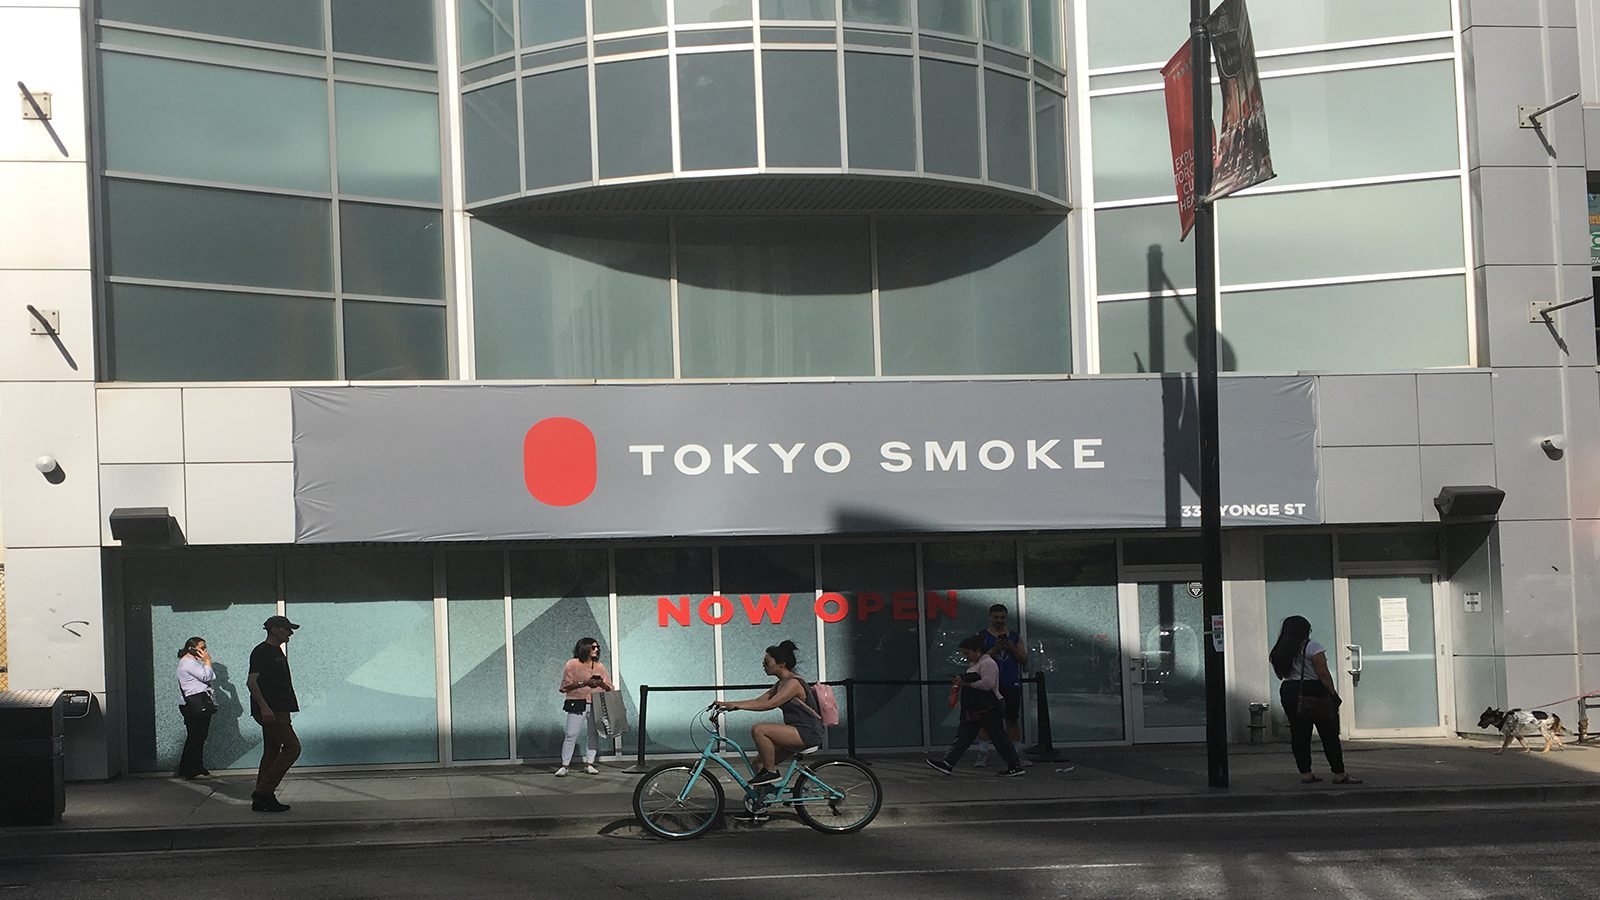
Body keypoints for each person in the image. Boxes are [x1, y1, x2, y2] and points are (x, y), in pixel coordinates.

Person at [713, 639, 826, 823]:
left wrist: (737, 706)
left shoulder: (793, 683)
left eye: (766, 662)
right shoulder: (781, 683)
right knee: (758, 764)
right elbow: (761, 700)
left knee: (760, 730)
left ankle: (772, 772)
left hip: (807, 732)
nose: (763, 665)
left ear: (781, 664)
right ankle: (759, 807)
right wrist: (730, 704)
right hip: (795, 731)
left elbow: (771, 704)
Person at [1269, 616, 1360, 785]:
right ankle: (1339, 773)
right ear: (1305, 630)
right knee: (1328, 733)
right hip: (1313, 690)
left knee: (1299, 734)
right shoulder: (1312, 647)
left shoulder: (1279, 650)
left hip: (1289, 690)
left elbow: (1280, 675)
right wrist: (1332, 693)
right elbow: (1323, 673)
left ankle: (1306, 773)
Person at [928, 635, 1026, 777]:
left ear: (978, 651)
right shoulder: (978, 663)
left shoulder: (987, 663)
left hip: (988, 706)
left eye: (967, 653)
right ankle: (948, 762)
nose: (966, 657)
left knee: (997, 736)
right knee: (966, 736)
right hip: (978, 707)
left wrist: (967, 683)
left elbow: (988, 684)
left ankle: (1014, 765)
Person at [247, 615, 303, 812]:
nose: (290, 633)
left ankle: (263, 799)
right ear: (274, 629)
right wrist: (264, 707)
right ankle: (263, 792)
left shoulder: (276, 651)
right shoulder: (262, 651)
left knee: (272, 751)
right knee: (292, 748)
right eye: (286, 629)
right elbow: (252, 682)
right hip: (272, 711)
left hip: (279, 710)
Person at [975, 603, 1029, 767]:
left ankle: (1017, 755)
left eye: (1002, 617)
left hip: (1010, 683)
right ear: (990, 617)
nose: (999, 620)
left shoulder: (1014, 636)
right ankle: (983, 754)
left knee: (1012, 720)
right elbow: (977, 661)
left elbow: (1024, 659)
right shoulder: (982, 636)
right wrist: (995, 649)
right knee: (987, 720)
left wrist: (1012, 647)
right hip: (990, 685)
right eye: (996, 617)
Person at [556, 636, 613, 776]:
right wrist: (585, 683)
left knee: (593, 734)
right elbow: (564, 686)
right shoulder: (572, 664)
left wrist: (601, 684)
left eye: (597, 647)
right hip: (577, 702)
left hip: (596, 702)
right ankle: (565, 765)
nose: (596, 649)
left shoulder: (600, 666)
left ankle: (589, 763)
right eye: (593, 647)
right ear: (584, 648)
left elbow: (610, 688)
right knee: (571, 734)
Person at [174, 636, 216, 780]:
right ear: (191, 648)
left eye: (205, 648)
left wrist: (206, 664)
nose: (205, 651)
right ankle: (190, 769)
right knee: (196, 737)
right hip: (195, 704)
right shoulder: (188, 662)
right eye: (202, 648)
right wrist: (208, 661)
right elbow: (206, 677)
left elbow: (210, 676)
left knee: (198, 737)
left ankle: (194, 767)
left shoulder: (192, 662)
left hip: (196, 702)